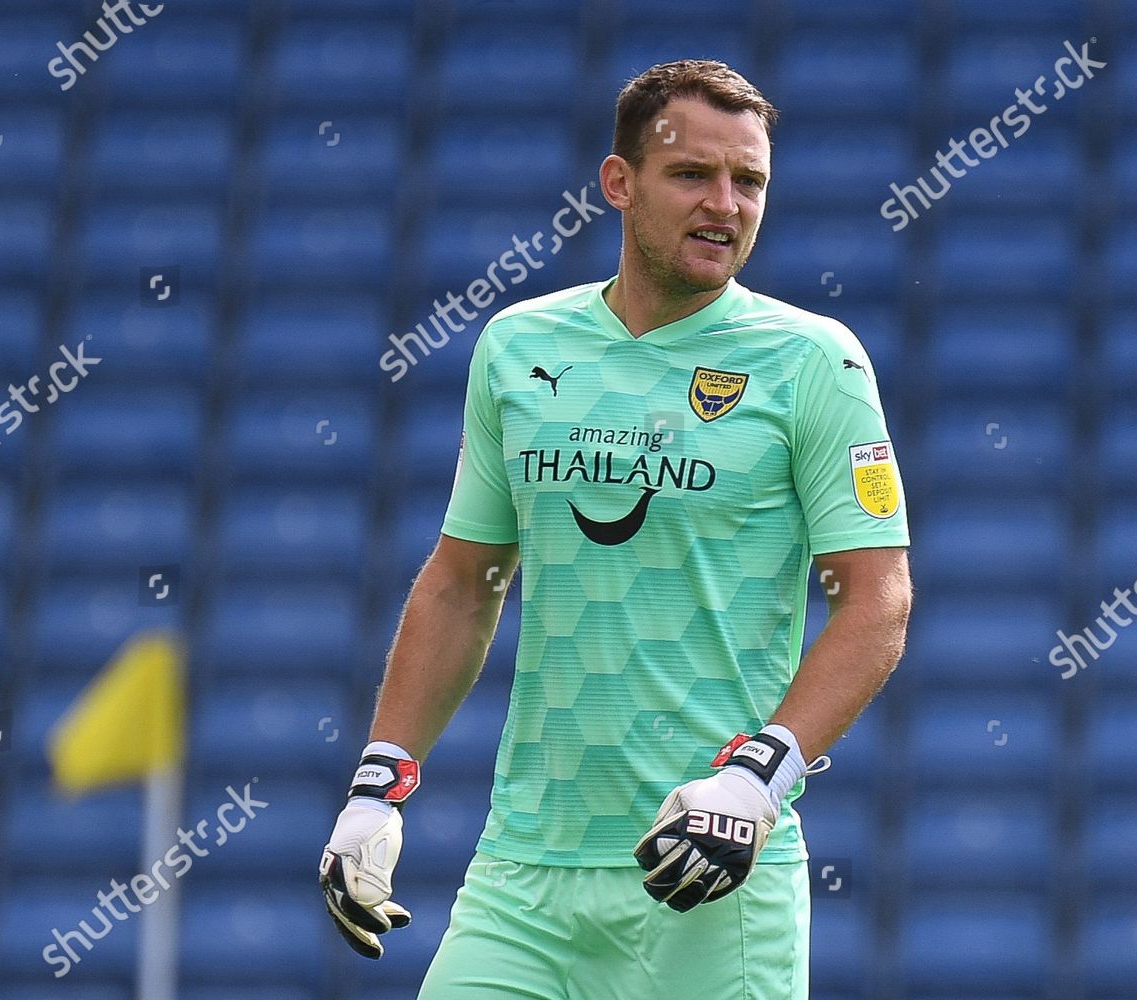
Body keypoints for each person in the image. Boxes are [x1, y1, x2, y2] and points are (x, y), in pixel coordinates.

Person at [320, 58, 913, 999]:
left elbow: (877, 600)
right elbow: (463, 577)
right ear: (620, 184)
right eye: (693, 175)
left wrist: (757, 784)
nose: (726, 204)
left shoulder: (813, 362)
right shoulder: (520, 346)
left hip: (709, 874)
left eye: (749, 181)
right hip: (523, 875)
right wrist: (379, 782)